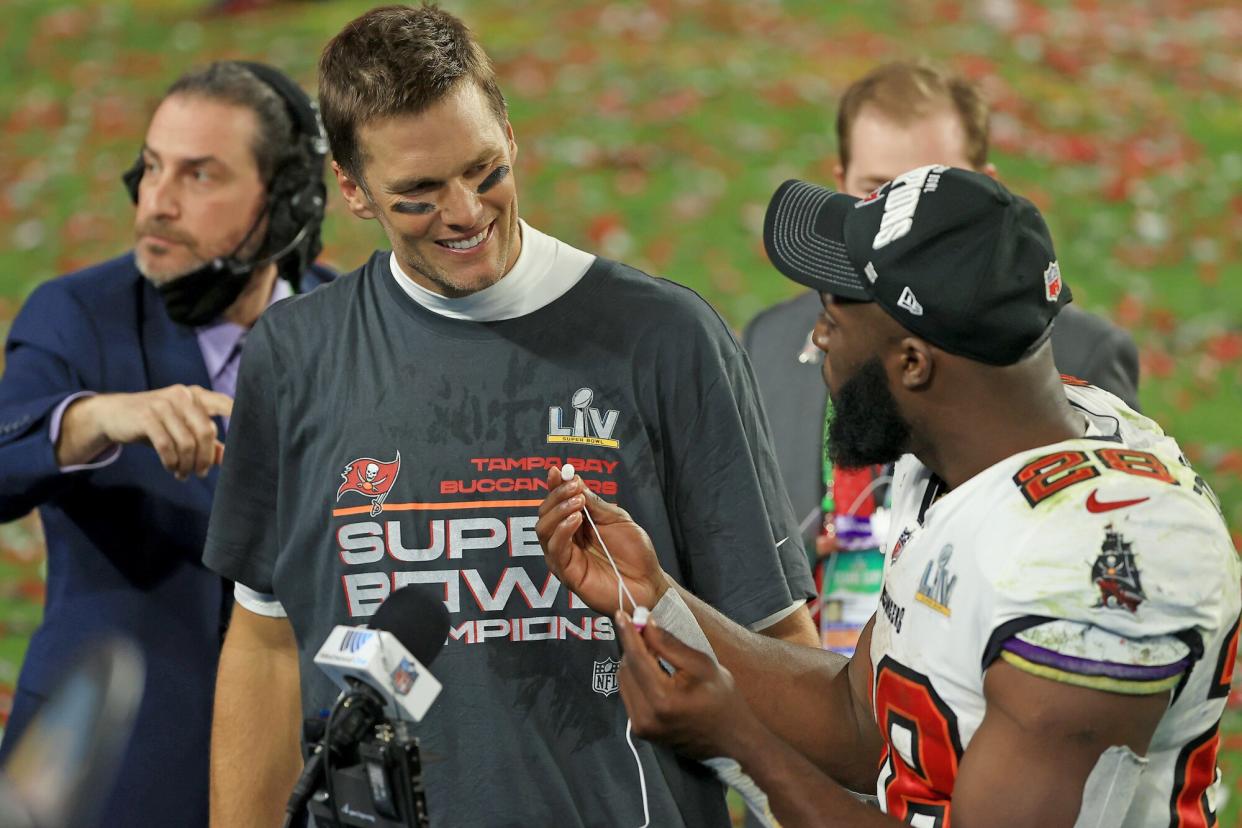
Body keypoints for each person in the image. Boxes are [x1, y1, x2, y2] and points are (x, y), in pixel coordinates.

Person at [203, 6, 816, 827]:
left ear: (510, 135)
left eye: (483, 170)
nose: (464, 213)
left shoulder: (665, 339)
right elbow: (267, 644)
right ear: (351, 189)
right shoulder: (294, 356)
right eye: (418, 194)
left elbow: (775, 638)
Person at [537, 167, 1240, 827]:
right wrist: (657, 596)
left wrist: (738, 744)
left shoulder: (1100, 570)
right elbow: (859, 717)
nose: (815, 337)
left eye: (835, 317)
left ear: (913, 362)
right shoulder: (959, 452)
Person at [0, 61, 331, 827]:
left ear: (286, 202)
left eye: (200, 175)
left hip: (308, 779)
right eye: (150, 168)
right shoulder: (78, 313)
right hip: (112, 775)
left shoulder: (352, 325)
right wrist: (94, 417)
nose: (156, 202)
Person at [744, 60, 1140, 537]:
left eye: (933, 186)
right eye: (878, 190)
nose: (903, 216)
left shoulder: (1078, 358)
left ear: (989, 185)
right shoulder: (768, 341)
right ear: (841, 183)